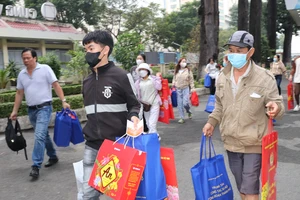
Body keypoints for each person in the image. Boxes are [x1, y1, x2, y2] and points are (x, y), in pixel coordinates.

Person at [202, 30, 285, 200]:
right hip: (231, 141)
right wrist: (211, 122)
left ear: (250, 52)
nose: (234, 54)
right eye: (231, 50)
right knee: (242, 187)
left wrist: (275, 107)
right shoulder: (222, 76)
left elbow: (278, 103)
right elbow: (219, 105)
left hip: (254, 142)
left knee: (251, 188)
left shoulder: (264, 77)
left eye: (239, 51)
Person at [81, 30, 141, 199]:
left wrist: (134, 116)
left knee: (118, 193)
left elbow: (135, 104)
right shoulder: (86, 81)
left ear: (105, 50)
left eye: (91, 48)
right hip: (92, 144)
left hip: (117, 145)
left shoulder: (121, 76)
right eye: (85, 49)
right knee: (88, 194)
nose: (87, 53)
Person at [9, 48, 70, 179]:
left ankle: (36, 165)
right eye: (23, 58)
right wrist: (15, 111)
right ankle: (53, 156)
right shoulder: (22, 74)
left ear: (35, 58)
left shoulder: (45, 69)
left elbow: (56, 85)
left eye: (28, 58)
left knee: (39, 136)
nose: (25, 60)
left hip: (44, 108)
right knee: (44, 135)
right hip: (31, 110)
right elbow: (19, 93)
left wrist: (63, 101)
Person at [135, 63, 162, 138]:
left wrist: (158, 77)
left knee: (152, 123)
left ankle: (151, 139)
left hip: (154, 103)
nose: (141, 71)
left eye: (143, 69)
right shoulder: (138, 82)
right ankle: (155, 136)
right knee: (147, 122)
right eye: (140, 70)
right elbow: (136, 93)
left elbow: (159, 88)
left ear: (147, 70)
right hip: (145, 105)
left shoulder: (154, 79)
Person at [172, 58, 195, 124]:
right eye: (183, 61)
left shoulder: (188, 71)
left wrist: (192, 87)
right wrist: (173, 83)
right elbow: (174, 78)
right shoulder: (176, 71)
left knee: (185, 103)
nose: (184, 63)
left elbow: (191, 80)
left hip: (185, 88)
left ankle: (188, 111)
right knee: (180, 104)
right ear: (179, 63)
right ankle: (182, 117)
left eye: (185, 61)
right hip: (178, 88)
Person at [130, 53, 149, 132]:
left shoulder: (146, 68)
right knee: (137, 110)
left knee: (144, 111)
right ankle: (138, 129)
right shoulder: (133, 69)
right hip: (134, 92)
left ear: (144, 60)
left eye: (140, 58)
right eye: (137, 58)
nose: (138, 60)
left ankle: (145, 127)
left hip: (144, 92)